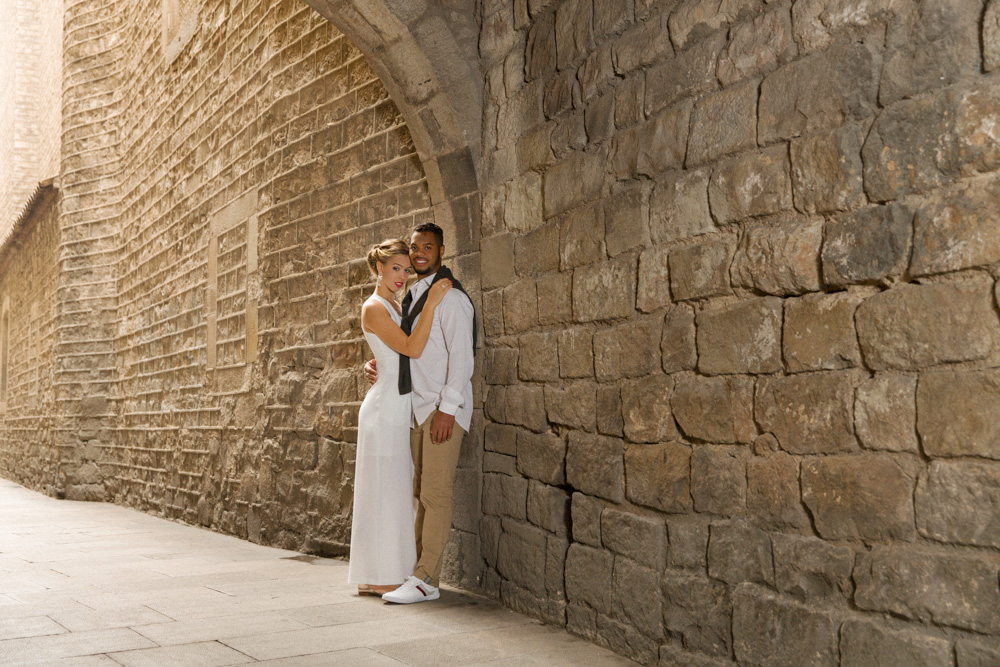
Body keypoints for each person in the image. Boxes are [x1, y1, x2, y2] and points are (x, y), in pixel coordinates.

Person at [365, 222, 476, 604]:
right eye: (414, 247)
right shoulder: (412, 295)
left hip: (441, 410)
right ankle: (415, 570)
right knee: (419, 493)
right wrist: (379, 364)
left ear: (441, 251)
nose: (419, 253)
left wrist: (448, 410)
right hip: (415, 408)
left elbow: (462, 361)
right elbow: (406, 347)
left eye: (428, 247)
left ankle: (427, 579)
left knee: (435, 493)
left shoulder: (452, 298)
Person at [348, 238, 451, 597]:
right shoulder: (374, 306)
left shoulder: (395, 304)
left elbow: (396, 354)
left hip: (397, 405)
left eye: (407, 270)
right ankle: (379, 575)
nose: (402, 276)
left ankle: (382, 572)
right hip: (384, 409)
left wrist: (374, 361)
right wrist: (433, 304)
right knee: (384, 491)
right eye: (396, 268)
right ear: (379, 267)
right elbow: (410, 347)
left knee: (394, 490)